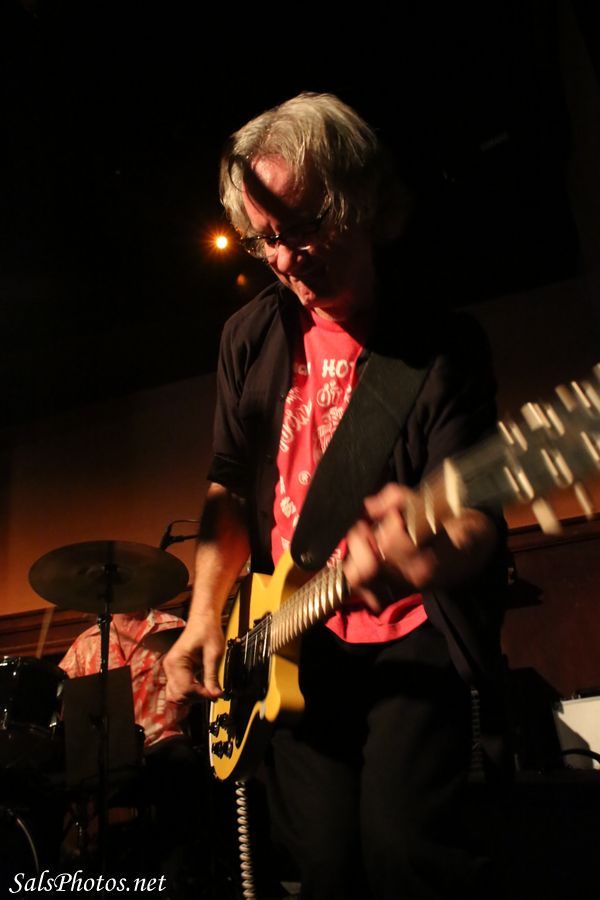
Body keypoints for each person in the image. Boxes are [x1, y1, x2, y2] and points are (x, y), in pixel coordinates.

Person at [164, 92, 508, 900]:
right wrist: (205, 616)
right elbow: (227, 483)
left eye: (304, 228)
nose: (285, 260)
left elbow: (476, 520)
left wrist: (426, 557)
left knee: (405, 853)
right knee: (320, 867)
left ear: (362, 201)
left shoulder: (440, 345)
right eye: (265, 238)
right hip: (289, 642)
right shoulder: (248, 338)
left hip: (409, 635)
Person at [60, 608, 211, 898]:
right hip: (109, 757)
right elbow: (63, 704)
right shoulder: (85, 644)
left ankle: (175, 884)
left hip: (161, 745)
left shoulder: (174, 629)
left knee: (181, 764)